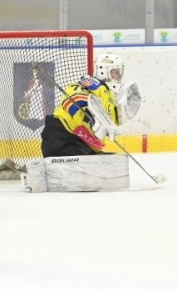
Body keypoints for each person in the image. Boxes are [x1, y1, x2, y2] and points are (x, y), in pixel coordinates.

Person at [25, 53, 142, 192]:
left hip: (81, 144)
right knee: (89, 175)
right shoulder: (92, 85)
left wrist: (126, 111)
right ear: (103, 71)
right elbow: (73, 96)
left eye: (119, 72)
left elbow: (111, 121)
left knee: (104, 168)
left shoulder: (109, 94)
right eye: (115, 72)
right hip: (61, 139)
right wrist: (90, 117)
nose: (119, 76)